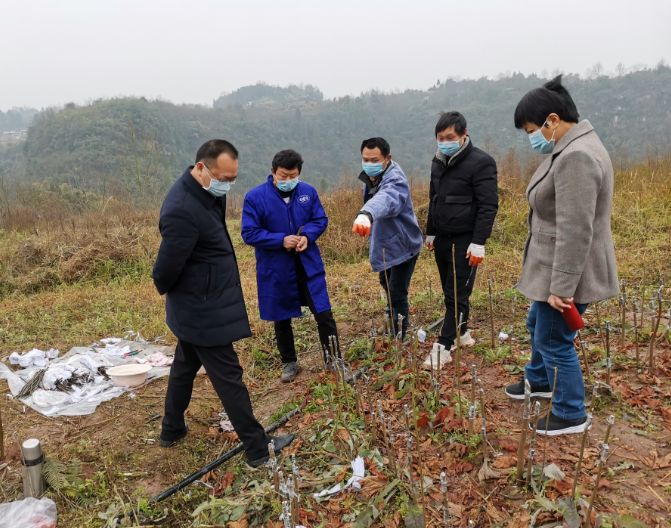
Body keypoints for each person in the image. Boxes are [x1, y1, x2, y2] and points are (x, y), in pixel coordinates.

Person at [152, 139, 294, 466]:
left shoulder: (204, 192)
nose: (228, 185)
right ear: (201, 168)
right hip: (202, 310)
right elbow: (164, 271)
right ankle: (258, 450)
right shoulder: (182, 209)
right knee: (229, 378)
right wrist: (194, 296)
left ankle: (171, 429)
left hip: (202, 303)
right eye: (223, 178)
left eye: (232, 179)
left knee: (184, 367)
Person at [505, 76, 618, 436]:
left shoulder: (577, 156)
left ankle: (571, 412)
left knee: (554, 339)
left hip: (568, 269)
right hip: (552, 264)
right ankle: (538, 380)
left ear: (552, 121)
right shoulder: (573, 145)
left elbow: (575, 228)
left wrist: (563, 286)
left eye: (532, 129)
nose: (531, 137)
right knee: (538, 326)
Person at [241, 149, 339, 382]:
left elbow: (320, 219)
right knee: (281, 316)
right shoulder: (255, 197)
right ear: (273, 172)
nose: (287, 181)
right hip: (276, 266)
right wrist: (280, 240)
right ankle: (289, 362)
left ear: (299, 174)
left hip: (307, 263)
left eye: (292, 176)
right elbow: (249, 233)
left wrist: (308, 235)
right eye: (283, 176)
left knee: (323, 312)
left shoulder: (307, 192)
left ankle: (334, 359)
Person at [423, 112, 499, 368]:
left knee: (457, 292)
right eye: (440, 138)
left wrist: (479, 241)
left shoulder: (481, 163)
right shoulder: (438, 161)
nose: (445, 142)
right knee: (449, 288)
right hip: (442, 237)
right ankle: (462, 331)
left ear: (464, 134)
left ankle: (444, 345)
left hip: (466, 239)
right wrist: (430, 230)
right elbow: (434, 197)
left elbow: (488, 205)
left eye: (450, 137)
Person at [352, 137, 423, 339]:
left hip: (404, 244)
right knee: (385, 281)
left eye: (374, 160)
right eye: (365, 159)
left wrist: (366, 213)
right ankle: (391, 318)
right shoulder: (372, 178)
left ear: (387, 158)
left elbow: (387, 198)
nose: (369, 164)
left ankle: (399, 334)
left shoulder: (395, 179)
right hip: (385, 243)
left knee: (397, 291)